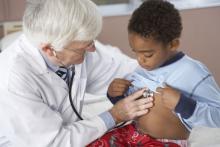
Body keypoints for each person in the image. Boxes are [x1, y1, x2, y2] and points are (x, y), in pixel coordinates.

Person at [0, 0, 155, 146]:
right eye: (83, 48)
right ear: (49, 49)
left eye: (91, 42)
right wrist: (114, 115)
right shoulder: (12, 81)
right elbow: (53, 142)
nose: (93, 50)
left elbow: (124, 69)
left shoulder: (74, 45)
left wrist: (164, 70)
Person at [89, 0, 220, 146]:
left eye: (148, 54)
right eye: (136, 53)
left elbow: (218, 116)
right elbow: (134, 106)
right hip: (133, 133)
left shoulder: (193, 73)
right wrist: (116, 95)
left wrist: (183, 105)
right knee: (93, 142)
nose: (140, 61)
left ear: (172, 44)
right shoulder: (143, 68)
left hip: (165, 141)